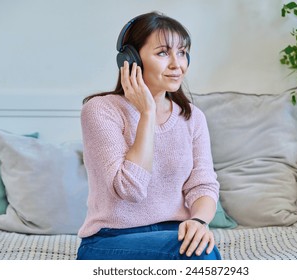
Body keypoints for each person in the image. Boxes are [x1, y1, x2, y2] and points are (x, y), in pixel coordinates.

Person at [76, 11, 221, 260]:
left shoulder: (193, 117)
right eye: (163, 52)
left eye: (183, 52)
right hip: (111, 240)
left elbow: (203, 185)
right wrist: (147, 113)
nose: (177, 64)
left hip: (173, 235)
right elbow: (130, 189)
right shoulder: (101, 110)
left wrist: (198, 222)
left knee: (201, 247)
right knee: (196, 255)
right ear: (130, 60)